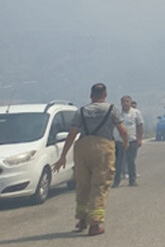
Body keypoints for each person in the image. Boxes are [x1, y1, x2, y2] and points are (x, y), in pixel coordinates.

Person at [53, 82, 129, 236]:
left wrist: (63, 156)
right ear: (105, 95)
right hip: (103, 147)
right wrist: (126, 143)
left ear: (91, 95)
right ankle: (95, 224)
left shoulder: (81, 111)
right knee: (100, 185)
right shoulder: (112, 109)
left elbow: (72, 134)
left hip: (82, 147)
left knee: (83, 185)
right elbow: (122, 130)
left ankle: (82, 219)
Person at [113, 95, 143, 187]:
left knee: (131, 161)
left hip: (132, 140)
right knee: (118, 162)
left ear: (130, 102)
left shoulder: (136, 113)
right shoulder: (118, 113)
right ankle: (116, 182)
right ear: (121, 103)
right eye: (123, 101)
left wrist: (139, 139)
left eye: (127, 101)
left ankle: (132, 180)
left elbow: (140, 126)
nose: (125, 103)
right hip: (119, 140)